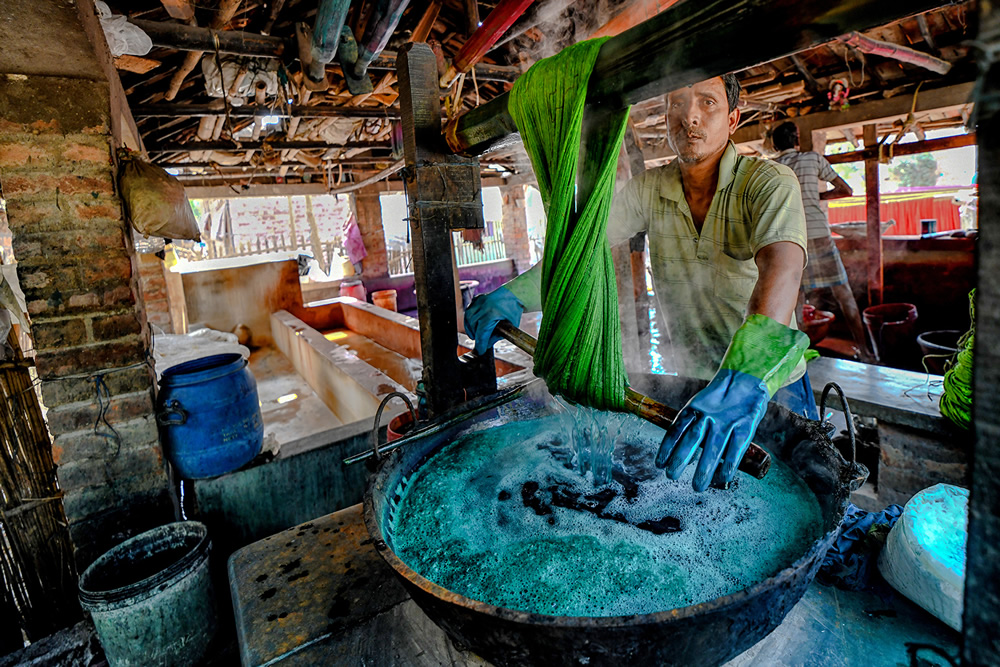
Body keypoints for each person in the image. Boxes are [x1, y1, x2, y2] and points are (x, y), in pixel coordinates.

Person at [466, 74, 815, 491]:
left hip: (767, 387)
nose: (690, 118)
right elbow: (584, 250)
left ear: (734, 118)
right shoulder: (650, 189)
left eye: (707, 103)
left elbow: (784, 265)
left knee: (788, 499)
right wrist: (515, 295)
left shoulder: (768, 183)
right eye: (679, 103)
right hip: (688, 383)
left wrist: (746, 376)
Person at [771, 121, 874, 362]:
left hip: (791, 237)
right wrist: (817, 196)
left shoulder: (773, 167)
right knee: (844, 293)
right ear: (796, 140)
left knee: (795, 299)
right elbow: (845, 190)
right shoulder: (812, 159)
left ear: (775, 145)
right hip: (818, 233)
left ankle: (796, 356)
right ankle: (866, 352)